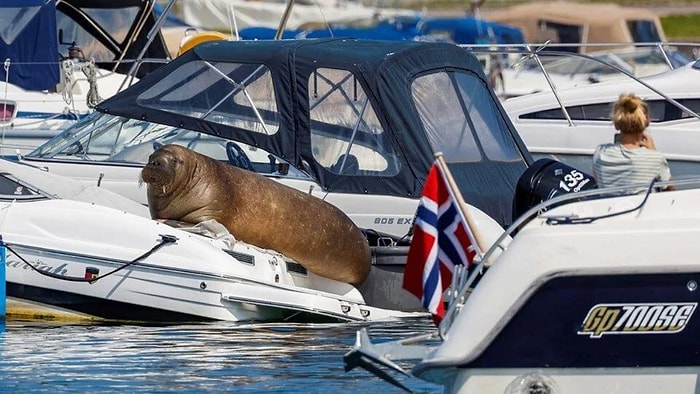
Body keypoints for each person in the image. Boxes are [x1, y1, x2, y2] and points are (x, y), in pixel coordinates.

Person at [592, 93, 674, 191]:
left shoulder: (600, 152)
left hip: (610, 206)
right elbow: (669, 191)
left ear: (616, 125)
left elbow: (598, 181)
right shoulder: (655, 158)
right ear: (647, 121)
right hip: (642, 206)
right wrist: (653, 152)